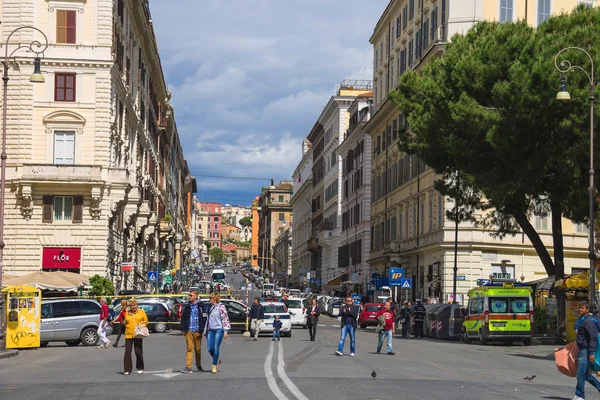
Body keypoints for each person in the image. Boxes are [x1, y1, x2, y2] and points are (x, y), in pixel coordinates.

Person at [574, 301, 600, 400]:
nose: (580, 310)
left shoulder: (586, 321)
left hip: (585, 349)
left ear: (588, 310)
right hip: (588, 348)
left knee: (581, 374)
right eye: (579, 308)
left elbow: (592, 336)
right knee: (586, 374)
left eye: (582, 308)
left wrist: (592, 352)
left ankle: (580, 395)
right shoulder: (594, 319)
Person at [180, 289, 208, 373]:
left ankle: (198, 365)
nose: (189, 297)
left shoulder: (201, 306)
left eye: (191, 295)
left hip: (198, 330)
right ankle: (188, 367)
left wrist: (203, 329)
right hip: (189, 330)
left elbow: (204, 317)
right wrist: (183, 329)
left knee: (198, 349)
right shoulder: (187, 306)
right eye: (189, 295)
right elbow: (183, 318)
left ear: (196, 296)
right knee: (189, 348)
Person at [203, 292, 231, 374]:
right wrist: (205, 330)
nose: (210, 300)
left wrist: (225, 331)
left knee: (216, 347)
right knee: (209, 348)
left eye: (211, 298)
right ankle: (217, 360)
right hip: (211, 330)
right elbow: (207, 320)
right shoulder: (210, 308)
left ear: (215, 299)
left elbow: (225, 319)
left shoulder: (221, 307)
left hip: (219, 329)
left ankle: (214, 365)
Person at [123, 298, 148, 375]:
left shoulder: (141, 312)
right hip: (128, 333)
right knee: (127, 352)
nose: (133, 307)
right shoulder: (127, 312)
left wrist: (140, 324)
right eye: (131, 305)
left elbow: (146, 321)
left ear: (137, 305)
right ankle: (127, 369)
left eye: (134, 305)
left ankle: (140, 367)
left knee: (138, 351)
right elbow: (125, 321)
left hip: (138, 333)